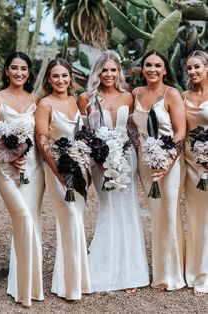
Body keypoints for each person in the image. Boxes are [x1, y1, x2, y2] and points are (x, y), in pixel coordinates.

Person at [77, 51, 149, 292]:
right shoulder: (86, 98)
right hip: (100, 162)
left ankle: (130, 272)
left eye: (113, 70)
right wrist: (93, 158)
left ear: (119, 72)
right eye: (104, 70)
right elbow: (83, 133)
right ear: (97, 72)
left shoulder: (128, 97)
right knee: (108, 206)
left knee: (127, 209)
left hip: (127, 157)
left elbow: (137, 128)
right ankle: (103, 267)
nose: (108, 74)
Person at [0, 51, 45, 307]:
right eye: (14, 68)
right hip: (7, 172)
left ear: (29, 72)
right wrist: (5, 154)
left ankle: (30, 284)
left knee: (33, 222)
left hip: (34, 170)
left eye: (24, 68)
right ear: (6, 71)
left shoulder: (37, 100)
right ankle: (22, 289)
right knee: (23, 219)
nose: (19, 72)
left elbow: (42, 135)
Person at [35, 58, 91, 300]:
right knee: (70, 219)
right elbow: (42, 140)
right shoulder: (45, 104)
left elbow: (84, 132)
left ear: (71, 78)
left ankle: (74, 280)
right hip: (57, 171)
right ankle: (70, 287)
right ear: (48, 79)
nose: (60, 80)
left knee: (77, 220)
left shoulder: (75, 101)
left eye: (64, 75)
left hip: (79, 170)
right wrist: (60, 174)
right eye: (55, 76)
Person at [132, 50, 186, 290]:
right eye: (147, 65)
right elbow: (132, 127)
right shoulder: (135, 93)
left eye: (157, 65)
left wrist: (167, 163)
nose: (152, 69)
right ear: (142, 69)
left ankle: (172, 275)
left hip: (170, 161)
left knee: (170, 211)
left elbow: (180, 132)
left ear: (165, 70)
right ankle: (160, 270)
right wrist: (138, 147)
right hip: (146, 163)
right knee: (156, 215)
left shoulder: (171, 94)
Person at [182, 50, 208, 295]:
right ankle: (196, 270)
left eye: (197, 67)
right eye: (189, 68)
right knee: (196, 218)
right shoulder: (183, 96)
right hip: (191, 166)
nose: (193, 72)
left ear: (207, 67)